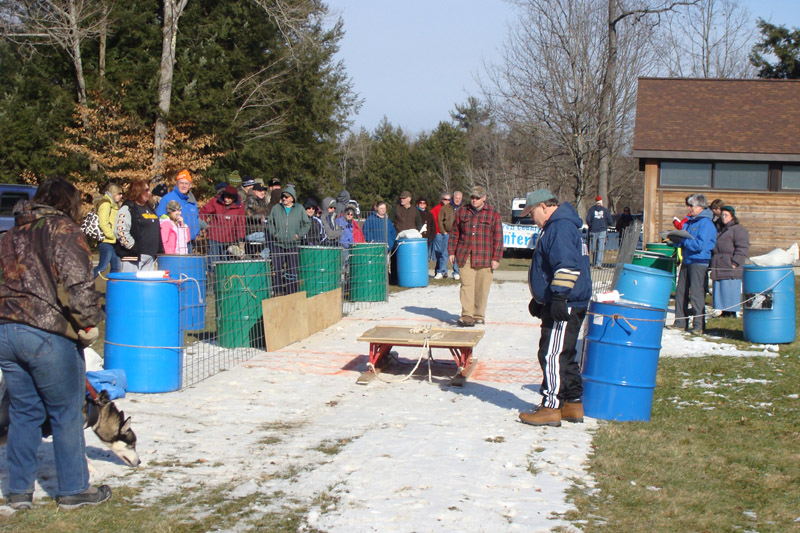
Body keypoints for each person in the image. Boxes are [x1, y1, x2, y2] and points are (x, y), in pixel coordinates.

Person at [0, 177, 112, 509]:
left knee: (23, 412)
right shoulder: (63, 230)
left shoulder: (10, 233)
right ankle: (74, 489)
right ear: (70, 202)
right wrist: (89, 322)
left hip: (6, 330)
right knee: (66, 412)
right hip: (46, 332)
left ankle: (19, 491)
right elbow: (78, 283)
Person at [517, 189, 591, 427]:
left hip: (566, 301)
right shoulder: (561, 226)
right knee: (566, 353)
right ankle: (572, 402)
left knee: (551, 354)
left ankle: (551, 406)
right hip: (566, 299)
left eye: (532, 213)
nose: (531, 218)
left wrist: (558, 297)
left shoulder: (558, 228)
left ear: (545, 207)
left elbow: (566, 266)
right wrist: (542, 299)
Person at [447, 186, 503, 327]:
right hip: (465, 255)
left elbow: (498, 237)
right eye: (472, 197)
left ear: (484, 198)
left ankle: (478, 315)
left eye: (477, 198)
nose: (474, 200)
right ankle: (467, 315)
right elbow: (454, 233)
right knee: (467, 285)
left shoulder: (493, 214)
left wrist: (496, 258)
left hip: (485, 257)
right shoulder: (462, 211)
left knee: (482, 287)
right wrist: (451, 251)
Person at [669, 193, 717, 333]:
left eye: (692, 206)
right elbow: (686, 238)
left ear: (700, 206)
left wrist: (683, 241)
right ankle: (680, 322)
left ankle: (698, 325)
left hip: (699, 261)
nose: (689, 208)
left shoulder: (706, 223)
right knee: (681, 292)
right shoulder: (691, 221)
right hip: (687, 259)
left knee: (696, 294)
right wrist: (676, 242)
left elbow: (699, 245)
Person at [268, 184, 310, 295]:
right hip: (278, 244)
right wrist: (275, 234)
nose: (284, 198)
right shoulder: (276, 209)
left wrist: (298, 235)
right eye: (283, 196)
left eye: (286, 196)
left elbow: (306, 224)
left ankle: (292, 292)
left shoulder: (299, 209)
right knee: (277, 269)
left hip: (293, 244)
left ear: (292, 198)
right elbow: (270, 223)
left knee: (292, 270)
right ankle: (278, 291)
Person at [115, 179, 163, 272]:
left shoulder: (150, 208)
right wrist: (133, 247)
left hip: (150, 257)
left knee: (147, 286)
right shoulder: (128, 208)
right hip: (133, 258)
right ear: (138, 191)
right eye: (146, 190)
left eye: (149, 190)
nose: (149, 193)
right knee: (132, 285)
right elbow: (120, 231)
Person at [710, 206, 749, 317]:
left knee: (730, 286)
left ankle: (731, 310)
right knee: (719, 287)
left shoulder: (738, 229)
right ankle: (721, 309)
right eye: (722, 215)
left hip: (730, 262)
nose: (724, 217)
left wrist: (736, 261)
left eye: (726, 215)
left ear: (732, 216)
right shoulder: (719, 229)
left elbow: (742, 247)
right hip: (718, 262)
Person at [155, 169, 201, 250]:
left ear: (190, 186)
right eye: (181, 183)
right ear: (177, 184)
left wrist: (197, 232)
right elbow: (160, 217)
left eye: (186, 183)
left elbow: (196, 218)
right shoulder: (168, 198)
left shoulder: (192, 200)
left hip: (190, 241)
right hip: (174, 242)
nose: (184, 186)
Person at [199, 185, 246, 262]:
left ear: (234, 198)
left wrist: (240, 239)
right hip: (214, 236)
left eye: (229, 198)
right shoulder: (215, 201)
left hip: (229, 239)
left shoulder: (240, 206)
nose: (226, 199)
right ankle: (212, 273)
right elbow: (203, 212)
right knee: (213, 260)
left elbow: (240, 224)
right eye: (225, 197)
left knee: (226, 261)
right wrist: (204, 225)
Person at [93, 183, 123, 278]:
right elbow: (103, 223)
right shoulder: (106, 203)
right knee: (102, 266)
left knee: (116, 266)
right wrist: (112, 235)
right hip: (106, 241)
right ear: (113, 193)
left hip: (113, 241)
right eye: (119, 193)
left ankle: (112, 289)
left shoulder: (113, 205)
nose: (121, 196)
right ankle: (85, 283)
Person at [430, 193, 454, 279]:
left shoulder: (451, 209)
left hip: (447, 234)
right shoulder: (436, 209)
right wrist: (437, 232)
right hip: (438, 234)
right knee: (439, 253)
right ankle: (439, 271)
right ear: (442, 200)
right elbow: (434, 222)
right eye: (445, 199)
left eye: (449, 199)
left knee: (445, 253)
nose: (447, 201)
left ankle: (443, 271)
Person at [585, 195, 612, 268]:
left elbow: (587, 219)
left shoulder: (591, 210)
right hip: (602, 230)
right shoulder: (605, 210)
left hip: (593, 230)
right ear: (601, 202)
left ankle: (594, 262)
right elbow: (610, 220)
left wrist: (591, 225)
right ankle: (598, 263)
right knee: (600, 247)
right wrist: (606, 224)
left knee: (593, 247)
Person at [244, 182, 270, 256]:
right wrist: (260, 217)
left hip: (262, 230)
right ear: (254, 191)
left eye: (263, 190)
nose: (262, 192)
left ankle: (261, 256)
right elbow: (248, 214)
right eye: (260, 191)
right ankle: (261, 257)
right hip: (252, 231)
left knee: (273, 238)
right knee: (271, 239)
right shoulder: (250, 201)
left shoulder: (263, 201)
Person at [417, 197, 436, 261]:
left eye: (424, 203)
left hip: (427, 238)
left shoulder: (429, 214)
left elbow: (433, 226)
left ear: (426, 205)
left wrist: (431, 237)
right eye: (420, 203)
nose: (422, 204)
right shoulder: (416, 213)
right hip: (418, 238)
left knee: (425, 257)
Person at [450, 190, 463, 280]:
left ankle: (458, 271)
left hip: (460, 233)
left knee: (459, 253)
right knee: (450, 253)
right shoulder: (448, 207)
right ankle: (454, 271)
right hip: (448, 232)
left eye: (459, 198)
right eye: (456, 198)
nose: (457, 200)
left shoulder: (464, 208)